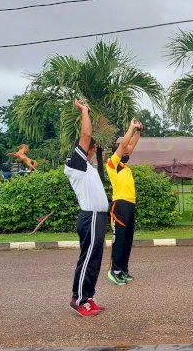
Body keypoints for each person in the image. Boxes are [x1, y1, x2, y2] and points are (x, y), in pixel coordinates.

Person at [64, 99, 109, 317]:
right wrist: (85, 111)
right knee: (88, 258)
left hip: (98, 218)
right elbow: (85, 135)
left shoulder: (88, 168)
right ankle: (79, 299)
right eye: (92, 147)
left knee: (95, 259)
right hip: (90, 217)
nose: (94, 148)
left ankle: (88, 297)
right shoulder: (75, 164)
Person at [105, 118, 143, 285]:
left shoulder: (125, 167)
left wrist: (139, 131)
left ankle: (124, 270)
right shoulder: (112, 165)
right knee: (119, 240)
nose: (129, 151)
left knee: (128, 240)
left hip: (130, 205)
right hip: (119, 205)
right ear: (119, 152)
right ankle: (114, 270)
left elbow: (131, 145)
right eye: (126, 150)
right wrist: (131, 127)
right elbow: (124, 145)